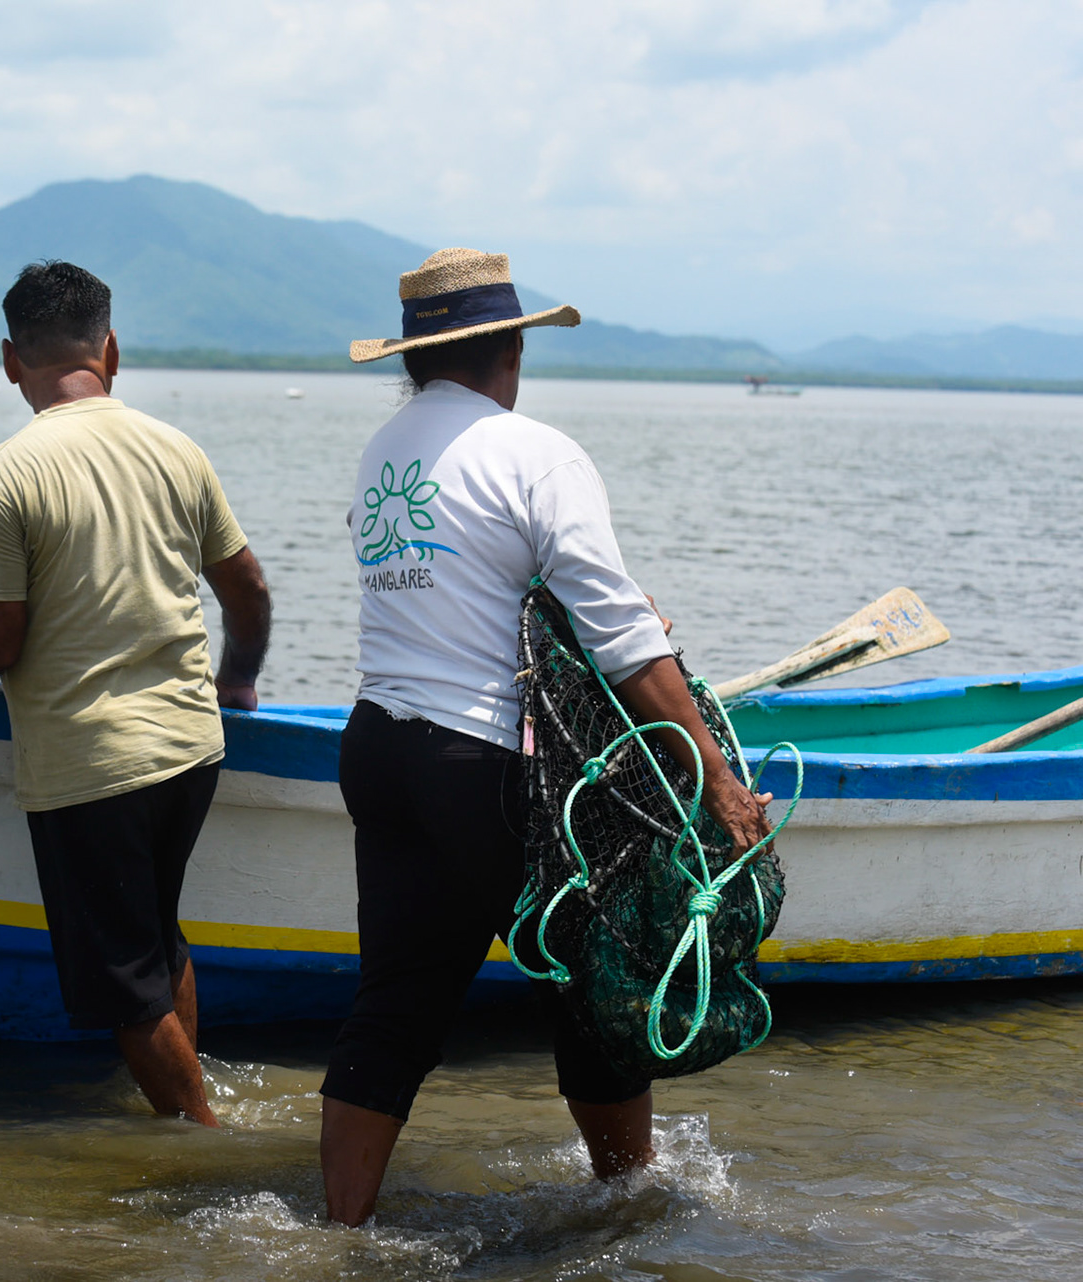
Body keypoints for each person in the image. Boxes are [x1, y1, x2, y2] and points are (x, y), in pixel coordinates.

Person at [320, 248, 773, 1222]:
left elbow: (474, 597)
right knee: (595, 977)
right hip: (475, 759)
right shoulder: (536, 452)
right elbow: (627, 642)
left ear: (415, 357)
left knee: (395, 1003)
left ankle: (337, 1229)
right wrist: (714, 781)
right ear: (510, 348)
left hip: (378, 749)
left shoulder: (384, 455)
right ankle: (630, 1208)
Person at [0, 260, 272, 1127]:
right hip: (191, 746)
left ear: (7, 360)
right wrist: (238, 678)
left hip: (92, 763)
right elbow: (247, 590)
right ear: (110, 350)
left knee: (124, 992)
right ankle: (194, 1111)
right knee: (157, 937)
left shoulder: (8, 475)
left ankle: (203, 1148)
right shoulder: (176, 448)